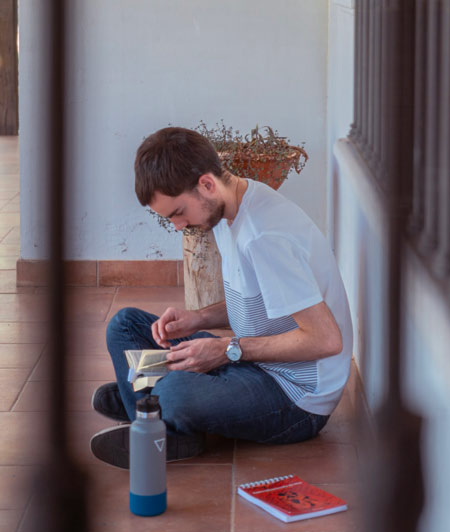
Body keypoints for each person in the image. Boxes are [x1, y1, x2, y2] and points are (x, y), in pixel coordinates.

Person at [90, 127, 353, 469]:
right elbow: (261, 304)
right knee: (124, 325)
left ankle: (152, 410)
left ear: (207, 185)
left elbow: (326, 339)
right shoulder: (232, 208)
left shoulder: (265, 236)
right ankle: (157, 412)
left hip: (296, 396)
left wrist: (227, 350)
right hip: (252, 363)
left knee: (175, 393)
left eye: (178, 212)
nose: (178, 226)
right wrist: (198, 319)